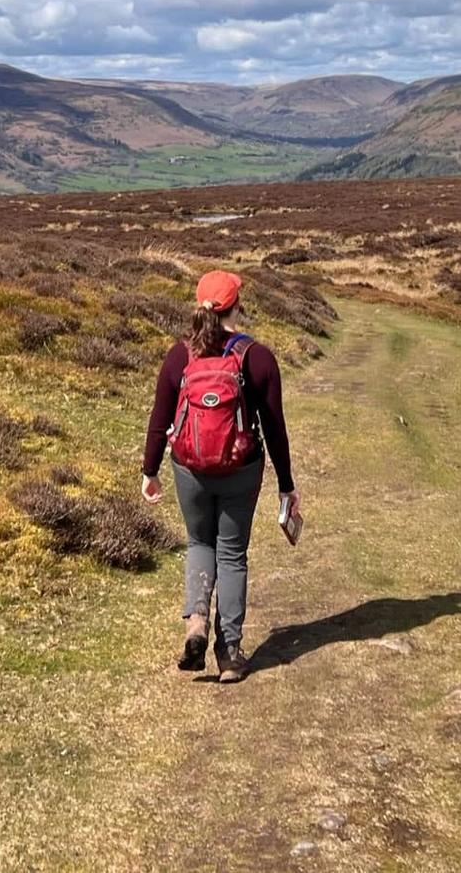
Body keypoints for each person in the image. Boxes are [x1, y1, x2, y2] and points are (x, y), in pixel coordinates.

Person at [141, 268, 298, 683]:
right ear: (236, 306)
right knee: (231, 553)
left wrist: (150, 470)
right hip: (241, 470)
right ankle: (229, 653)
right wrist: (286, 484)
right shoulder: (257, 356)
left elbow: (160, 420)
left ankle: (196, 623)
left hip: (189, 467)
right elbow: (275, 427)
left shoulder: (180, 355)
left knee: (199, 542)